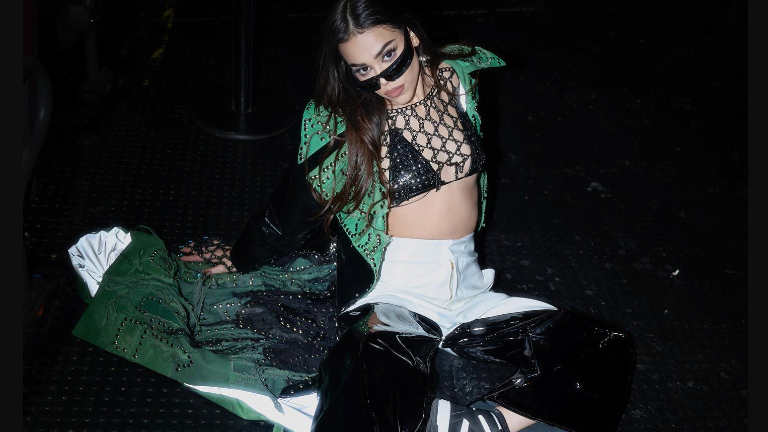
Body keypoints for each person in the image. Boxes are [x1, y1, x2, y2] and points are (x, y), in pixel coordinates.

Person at [68, 1, 636, 431]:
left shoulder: (457, 76)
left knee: (603, 350)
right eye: (363, 70)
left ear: (412, 36)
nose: (383, 81)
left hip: (469, 286)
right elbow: (290, 205)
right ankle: (449, 409)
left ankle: (473, 420)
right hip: (399, 297)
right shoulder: (347, 126)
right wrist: (241, 257)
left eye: (389, 56)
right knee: (359, 402)